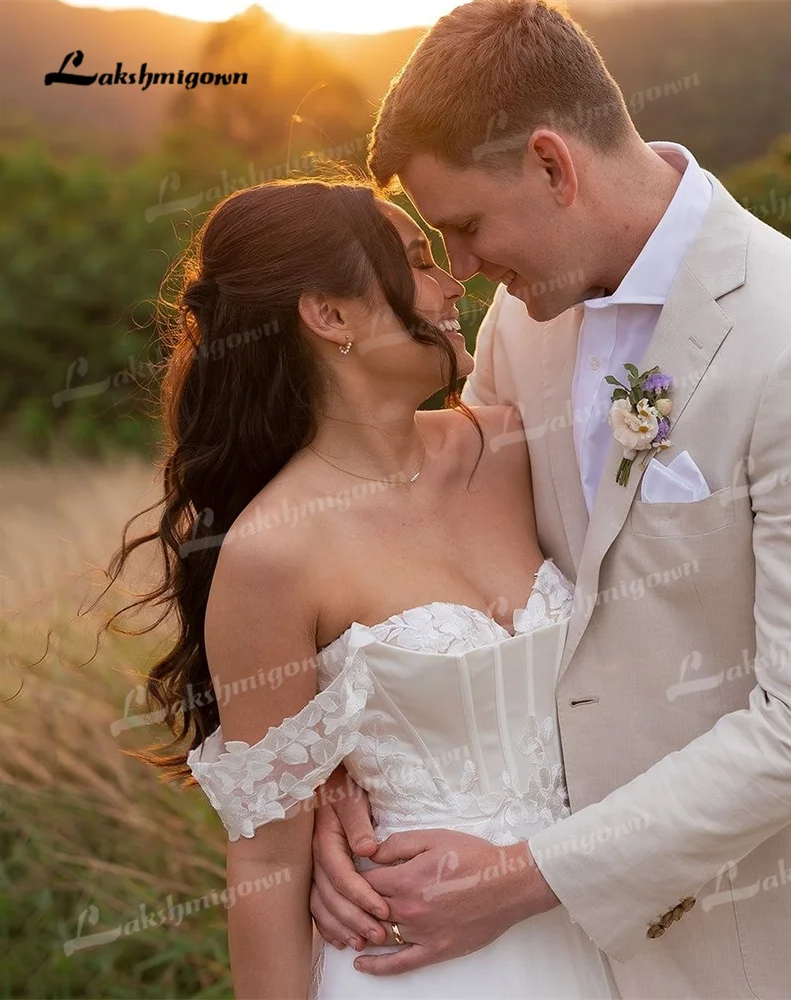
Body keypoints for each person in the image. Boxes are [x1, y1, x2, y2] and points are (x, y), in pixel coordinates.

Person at [308, 2, 791, 998]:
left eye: (467, 226)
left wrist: (522, 878)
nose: (465, 269)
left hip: (773, 941)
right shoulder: (521, 330)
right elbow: (434, 554)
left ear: (553, 165)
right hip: (561, 964)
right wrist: (337, 772)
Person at [109, 174, 621, 999]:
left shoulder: (514, 445)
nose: (456, 282)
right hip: (411, 958)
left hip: (591, 921)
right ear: (331, 315)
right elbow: (268, 855)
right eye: (417, 261)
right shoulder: (272, 554)